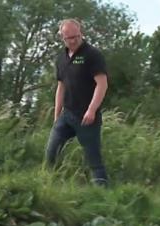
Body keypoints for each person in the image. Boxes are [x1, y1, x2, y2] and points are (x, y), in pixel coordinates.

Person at [45, 19, 109, 186]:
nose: (73, 40)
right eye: (69, 38)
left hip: (87, 117)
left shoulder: (92, 55)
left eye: (76, 36)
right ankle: (48, 187)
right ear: (62, 38)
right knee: (51, 153)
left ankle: (103, 197)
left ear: (81, 33)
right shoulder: (61, 59)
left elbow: (102, 84)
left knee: (94, 160)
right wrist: (56, 115)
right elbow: (61, 87)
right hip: (66, 115)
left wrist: (92, 110)